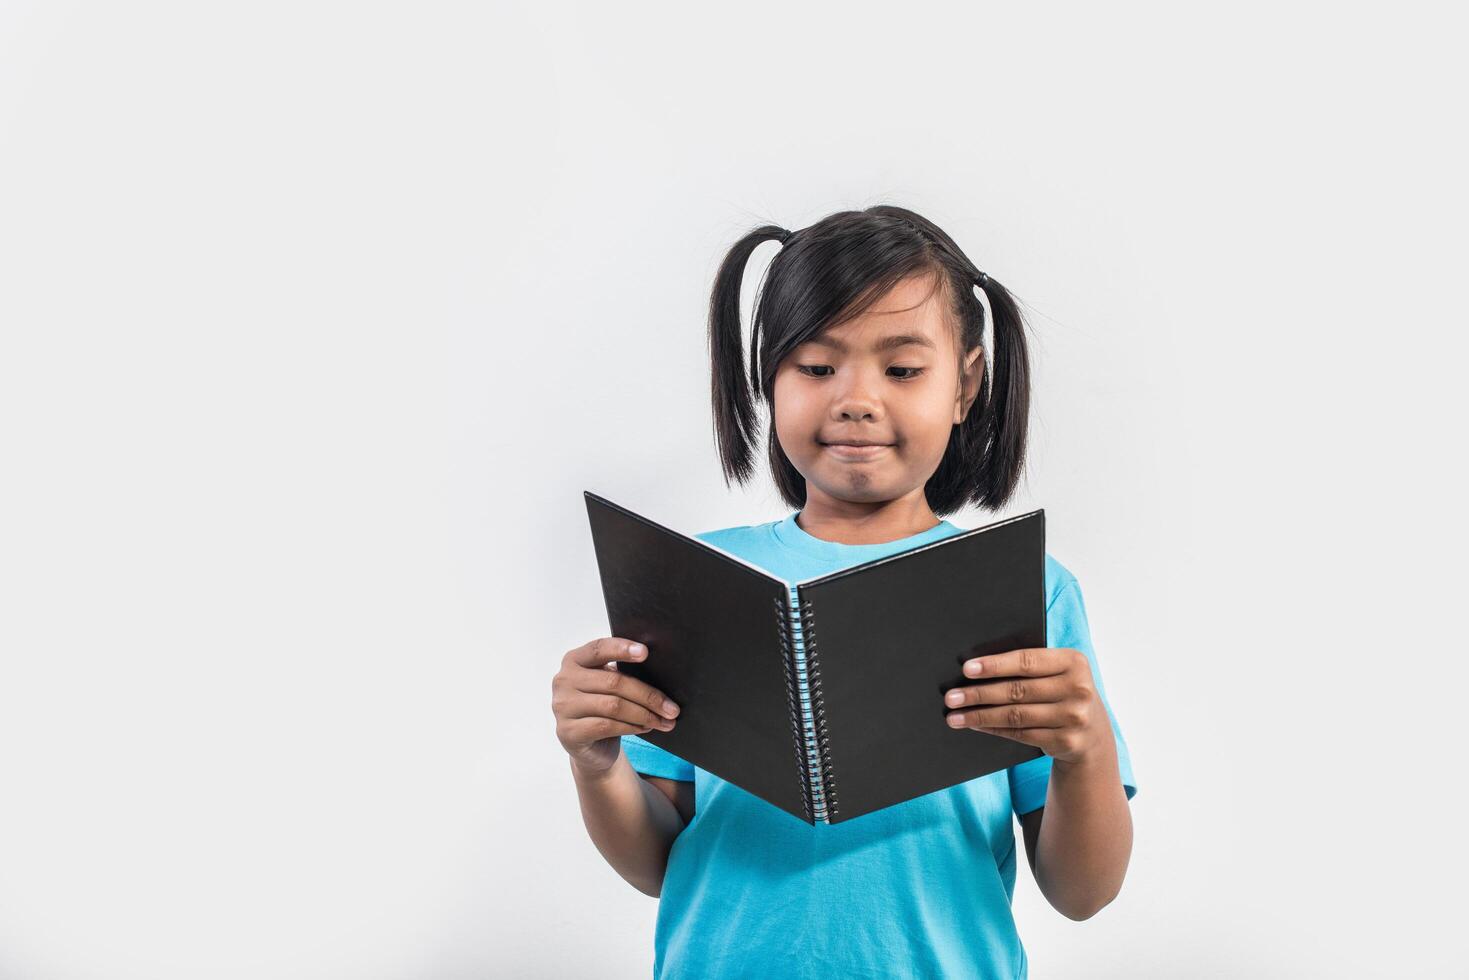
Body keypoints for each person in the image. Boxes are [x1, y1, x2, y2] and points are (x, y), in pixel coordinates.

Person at [550, 204, 1138, 978]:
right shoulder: (699, 583)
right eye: (816, 366)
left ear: (965, 386)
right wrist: (596, 765)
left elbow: (1082, 891)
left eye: (901, 369)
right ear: (769, 378)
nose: (856, 399)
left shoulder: (1023, 591)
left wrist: (1084, 746)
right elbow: (658, 863)